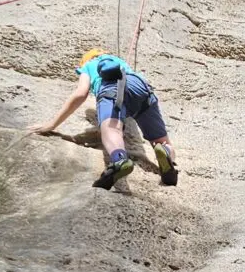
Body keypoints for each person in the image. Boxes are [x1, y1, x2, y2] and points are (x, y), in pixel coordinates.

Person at [31, 50, 178, 190]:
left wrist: (52, 124)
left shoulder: (88, 66)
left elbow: (81, 93)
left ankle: (120, 159)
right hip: (142, 87)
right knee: (161, 139)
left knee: (112, 130)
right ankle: (167, 155)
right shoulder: (119, 61)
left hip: (111, 87)